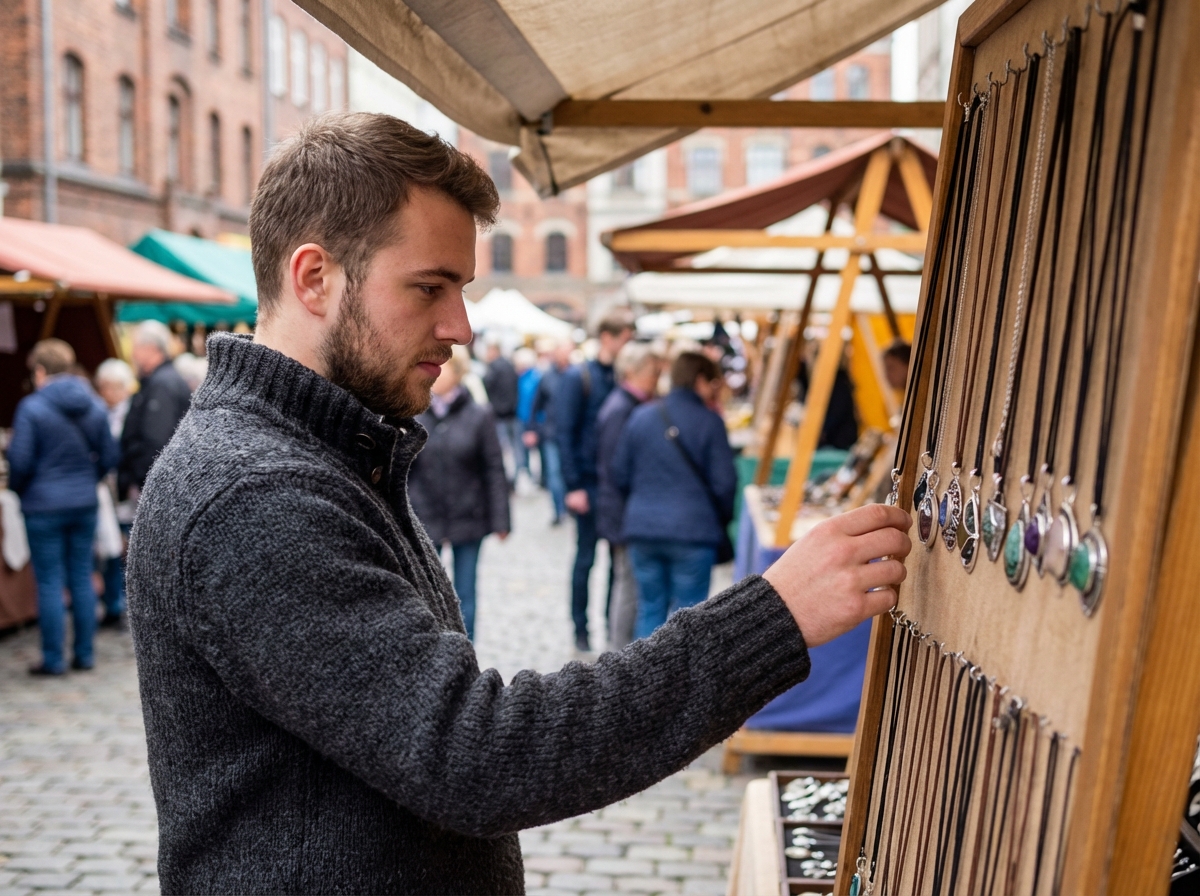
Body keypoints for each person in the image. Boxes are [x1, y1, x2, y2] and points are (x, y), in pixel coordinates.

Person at [126, 112, 911, 895]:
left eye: (461, 290)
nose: (458, 326)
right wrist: (770, 618)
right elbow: (476, 755)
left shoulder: (321, 452)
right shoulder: (256, 493)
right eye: (429, 287)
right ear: (314, 278)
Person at [8, 339, 118, 674]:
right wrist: (88, 479)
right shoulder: (95, 404)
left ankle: (53, 659)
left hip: (43, 506)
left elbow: (20, 460)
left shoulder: (32, 407)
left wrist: (20, 490)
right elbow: (110, 457)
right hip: (84, 502)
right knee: (83, 576)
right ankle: (84, 655)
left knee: (50, 581)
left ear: (40, 371)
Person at [613, 352, 736, 639]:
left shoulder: (641, 416)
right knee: (689, 617)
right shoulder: (709, 421)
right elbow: (725, 483)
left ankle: (644, 681)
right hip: (692, 532)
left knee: (650, 608)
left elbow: (619, 473)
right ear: (700, 380)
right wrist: (719, 518)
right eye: (713, 382)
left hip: (643, 529)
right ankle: (681, 684)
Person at [408, 346, 510, 640]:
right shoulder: (415, 411)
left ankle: (467, 653)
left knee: (465, 591)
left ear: (459, 373)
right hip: (426, 513)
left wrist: (500, 519)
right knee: (427, 590)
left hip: (468, 514)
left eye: (445, 367)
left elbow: (493, 468)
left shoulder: (480, 415)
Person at [555, 313, 634, 652]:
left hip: (615, 487)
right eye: (625, 338)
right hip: (587, 484)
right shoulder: (579, 376)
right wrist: (572, 486)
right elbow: (564, 433)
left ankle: (610, 624)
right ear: (607, 337)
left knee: (618, 563)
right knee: (585, 560)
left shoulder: (621, 377)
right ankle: (580, 628)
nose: (628, 345)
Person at [595, 342, 662, 650]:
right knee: (628, 587)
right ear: (633, 372)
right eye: (652, 372)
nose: (656, 378)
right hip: (623, 513)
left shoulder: (627, 405)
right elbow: (615, 469)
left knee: (629, 585)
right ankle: (620, 650)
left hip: (624, 511)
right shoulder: (621, 409)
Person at [118, 321, 192, 502]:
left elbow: (156, 439)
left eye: (136, 347)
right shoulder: (161, 380)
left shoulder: (162, 384)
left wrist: (143, 480)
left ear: (150, 348)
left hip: (156, 487)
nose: (133, 354)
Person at [94, 358, 136, 629]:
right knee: (110, 549)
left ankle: (125, 606)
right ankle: (113, 604)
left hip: (127, 492)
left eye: (113, 387)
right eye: (104, 387)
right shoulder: (98, 413)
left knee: (126, 551)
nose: (108, 392)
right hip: (106, 493)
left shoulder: (133, 413)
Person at [525, 340, 571, 523]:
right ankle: (559, 510)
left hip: (571, 433)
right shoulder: (547, 377)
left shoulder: (576, 374)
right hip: (552, 433)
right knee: (554, 473)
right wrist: (532, 429)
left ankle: (569, 506)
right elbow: (536, 406)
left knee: (567, 471)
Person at [481, 337, 520, 485]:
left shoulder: (493, 368)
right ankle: (515, 476)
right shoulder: (509, 365)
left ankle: (508, 479)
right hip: (512, 412)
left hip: (499, 414)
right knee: (515, 448)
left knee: (502, 449)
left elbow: (487, 386)